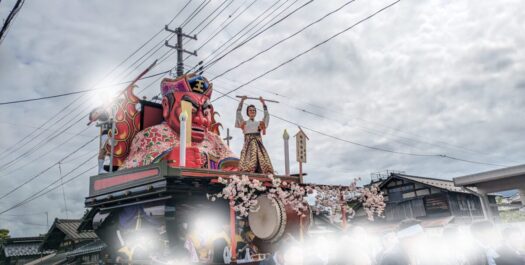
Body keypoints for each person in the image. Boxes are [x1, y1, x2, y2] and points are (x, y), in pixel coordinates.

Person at [235, 96, 274, 174]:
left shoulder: (259, 123)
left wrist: (263, 103)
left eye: (254, 110)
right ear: (247, 112)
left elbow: (267, 116)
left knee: (261, 157)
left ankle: (261, 169)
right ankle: (249, 169)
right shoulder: (244, 123)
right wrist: (242, 101)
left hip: (257, 143)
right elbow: (238, 113)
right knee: (248, 157)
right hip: (248, 144)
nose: (252, 111)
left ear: (255, 112)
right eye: (250, 110)